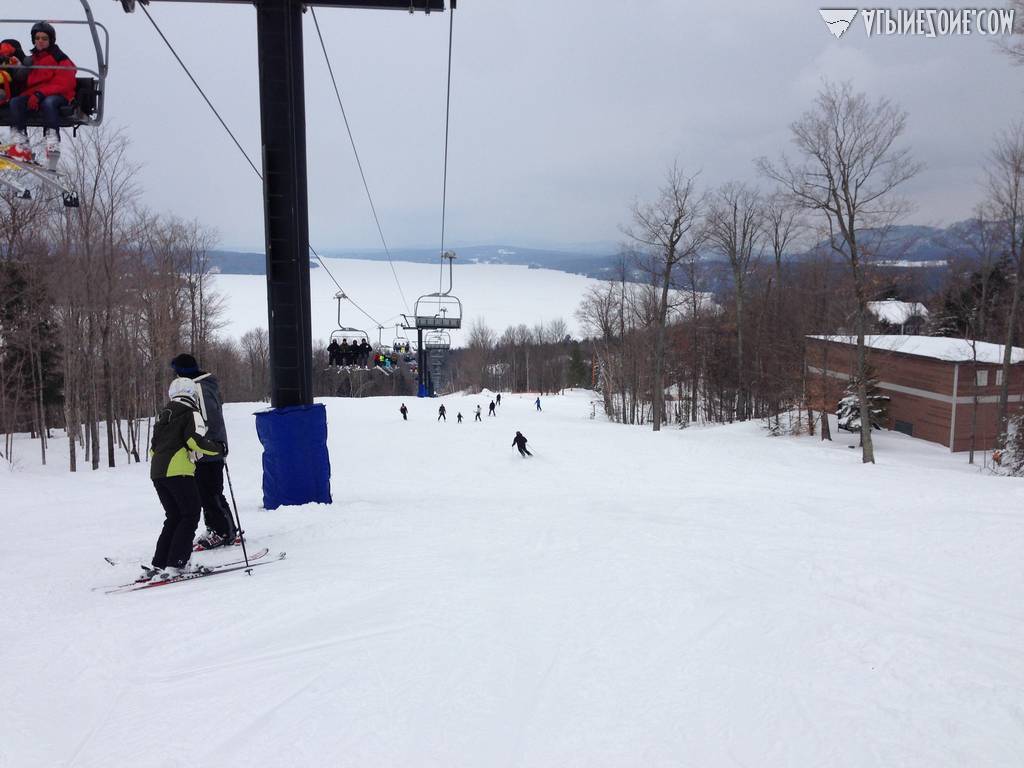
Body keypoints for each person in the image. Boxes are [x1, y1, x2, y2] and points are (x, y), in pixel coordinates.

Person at [144, 377, 223, 579]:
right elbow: (194, 440)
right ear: (193, 394)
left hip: (158, 472)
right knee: (190, 515)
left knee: (174, 516)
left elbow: (154, 449)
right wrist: (218, 448)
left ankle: (160, 563)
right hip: (178, 472)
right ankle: (177, 563)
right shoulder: (191, 412)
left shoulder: (163, 416)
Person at [170, 353, 238, 550]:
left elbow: (209, 419)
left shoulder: (199, 387)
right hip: (203, 449)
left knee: (209, 492)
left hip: (208, 450)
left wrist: (205, 444)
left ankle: (223, 531)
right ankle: (222, 527)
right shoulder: (200, 385)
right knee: (207, 491)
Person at [4, 22, 77, 170]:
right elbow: (26, 81)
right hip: (37, 95)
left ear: (50, 40)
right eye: (37, 38)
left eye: (44, 38)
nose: (40, 41)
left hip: (58, 95)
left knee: (48, 103)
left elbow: (64, 82)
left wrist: (40, 94)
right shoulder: (32, 60)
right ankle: (21, 144)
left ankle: (52, 143)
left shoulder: (60, 58)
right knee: (16, 102)